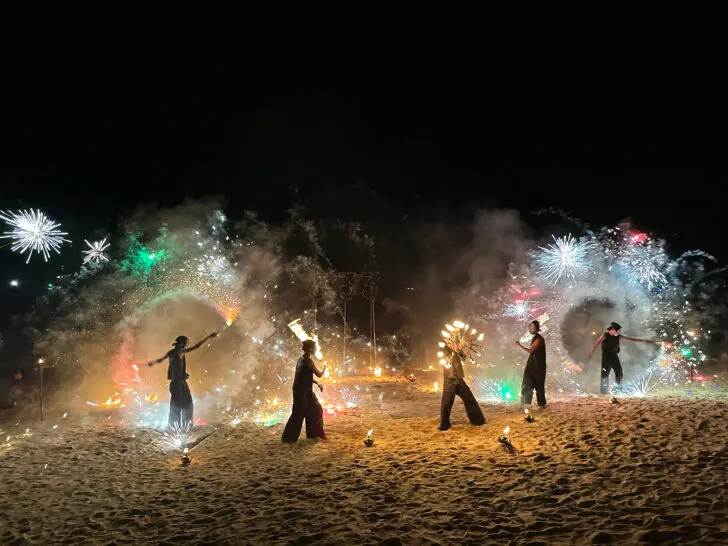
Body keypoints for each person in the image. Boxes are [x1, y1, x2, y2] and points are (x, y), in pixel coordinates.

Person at [147, 332, 218, 428]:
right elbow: (196, 347)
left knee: (184, 405)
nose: (187, 345)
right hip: (178, 384)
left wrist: (153, 363)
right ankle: (177, 427)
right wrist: (209, 337)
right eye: (186, 343)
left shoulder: (171, 352)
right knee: (179, 406)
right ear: (181, 344)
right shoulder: (179, 352)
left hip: (178, 383)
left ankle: (181, 426)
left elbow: (161, 361)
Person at [587, 322, 656, 394]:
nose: (619, 332)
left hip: (614, 356)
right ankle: (604, 391)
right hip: (606, 357)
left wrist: (642, 340)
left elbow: (630, 339)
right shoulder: (605, 335)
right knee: (605, 374)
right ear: (613, 329)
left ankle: (617, 389)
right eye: (617, 330)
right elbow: (597, 344)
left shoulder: (617, 336)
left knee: (619, 372)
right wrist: (590, 353)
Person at [282, 339, 327, 442]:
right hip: (303, 392)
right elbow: (319, 374)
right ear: (311, 349)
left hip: (301, 391)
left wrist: (316, 383)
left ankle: (311, 435)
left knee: (313, 410)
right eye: (315, 347)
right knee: (300, 414)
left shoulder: (301, 359)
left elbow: (304, 376)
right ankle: (289, 438)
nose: (316, 349)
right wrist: (324, 368)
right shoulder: (309, 361)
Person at [439, 339, 486, 431]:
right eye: (449, 342)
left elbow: (463, 357)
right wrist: (453, 349)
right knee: (446, 404)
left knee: (470, 399)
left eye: (452, 342)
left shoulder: (455, 349)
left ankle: (477, 421)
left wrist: (458, 349)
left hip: (459, 380)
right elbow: (448, 359)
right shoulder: (445, 350)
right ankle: (444, 426)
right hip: (450, 380)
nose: (451, 343)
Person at [516, 320, 547, 408]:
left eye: (532, 328)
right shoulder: (535, 338)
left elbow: (530, 351)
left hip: (538, 367)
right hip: (532, 365)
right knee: (527, 383)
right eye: (529, 327)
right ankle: (524, 402)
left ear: (537, 329)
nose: (530, 329)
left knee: (539, 385)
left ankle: (542, 404)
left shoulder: (539, 339)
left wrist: (519, 345)